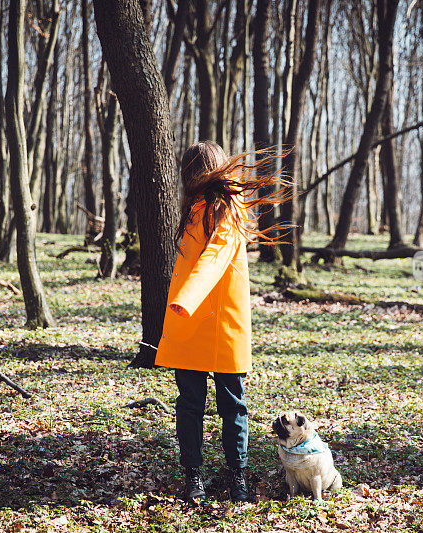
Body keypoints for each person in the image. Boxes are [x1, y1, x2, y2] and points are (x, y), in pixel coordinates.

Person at [155, 140, 291, 502]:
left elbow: (212, 259)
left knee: (232, 404)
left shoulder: (228, 210)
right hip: (188, 322)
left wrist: (184, 298)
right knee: (189, 405)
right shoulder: (194, 210)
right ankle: (193, 476)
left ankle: (238, 476)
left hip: (222, 323)